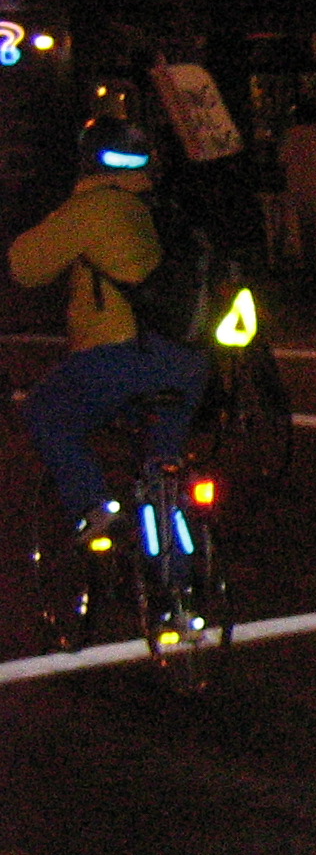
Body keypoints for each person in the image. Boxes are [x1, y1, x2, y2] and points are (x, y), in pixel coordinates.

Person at [12, 117, 210, 542]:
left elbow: (24, 266)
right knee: (163, 466)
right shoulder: (163, 205)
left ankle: (92, 505)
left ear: (88, 158)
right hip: (188, 356)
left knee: (44, 411)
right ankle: (180, 569)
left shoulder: (95, 205)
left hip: (118, 355)